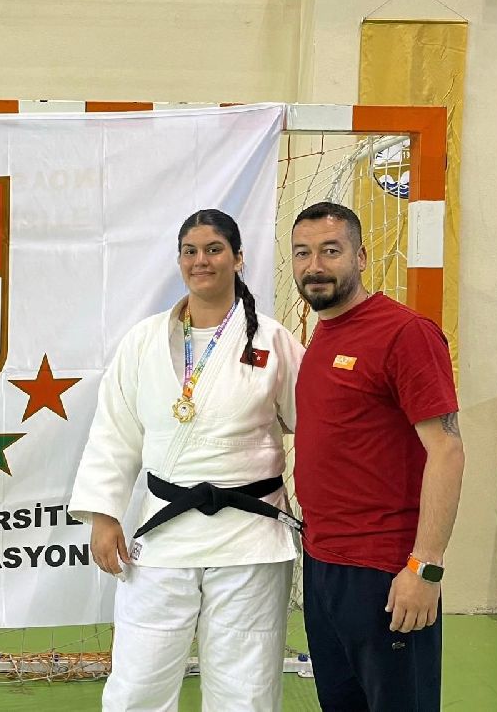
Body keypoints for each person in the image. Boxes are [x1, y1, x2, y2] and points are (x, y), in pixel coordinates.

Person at [68, 208, 305, 712]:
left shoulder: (273, 341)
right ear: (179, 261)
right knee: (138, 681)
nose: (201, 261)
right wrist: (104, 515)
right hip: (164, 530)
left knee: (246, 686)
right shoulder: (144, 341)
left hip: (251, 535)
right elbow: (114, 431)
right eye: (190, 251)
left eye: (214, 249)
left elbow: (311, 425)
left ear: (238, 259)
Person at [290, 201, 465, 711]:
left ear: (362, 257)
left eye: (331, 251)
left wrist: (424, 568)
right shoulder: (324, 335)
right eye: (302, 253)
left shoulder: (404, 333)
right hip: (324, 566)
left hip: (385, 573)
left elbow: (447, 450)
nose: (314, 266)